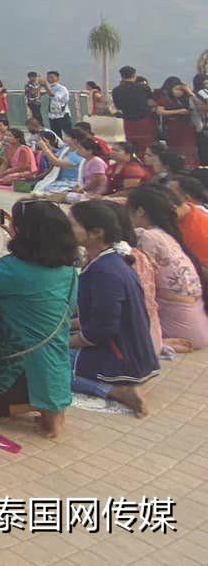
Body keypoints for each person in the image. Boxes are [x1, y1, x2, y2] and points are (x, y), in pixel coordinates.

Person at [0, 202, 77, 437]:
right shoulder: (67, 269)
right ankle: (49, 409)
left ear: (25, 233)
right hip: (54, 366)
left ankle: (35, 406)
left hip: (15, 367)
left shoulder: (13, 269)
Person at [67, 201, 159, 413]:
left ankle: (112, 390)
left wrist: (63, 343)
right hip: (127, 351)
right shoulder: (108, 261)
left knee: (42, 363)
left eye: (72, 225)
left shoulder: (105, 272)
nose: (66, 229)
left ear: (96, 233)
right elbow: (98, 317)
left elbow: (102, 329)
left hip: (121, 358)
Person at [126, 185, 208, 349]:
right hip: (197, 325)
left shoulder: (148, 237)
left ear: (140, 211)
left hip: (178, 329)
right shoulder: (167, 235)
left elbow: (141, 290)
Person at [155, 77, 201, 167]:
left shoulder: (186, 97)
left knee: (190, 150)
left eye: (181, 90)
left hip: (187, 127)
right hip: (173, 127)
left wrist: (190, 92)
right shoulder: (165, 98)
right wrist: (178, 111)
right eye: (176, 89)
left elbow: (199, 104)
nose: (179, 92)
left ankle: (192, 166)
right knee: (177, 150)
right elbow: (159, 111)